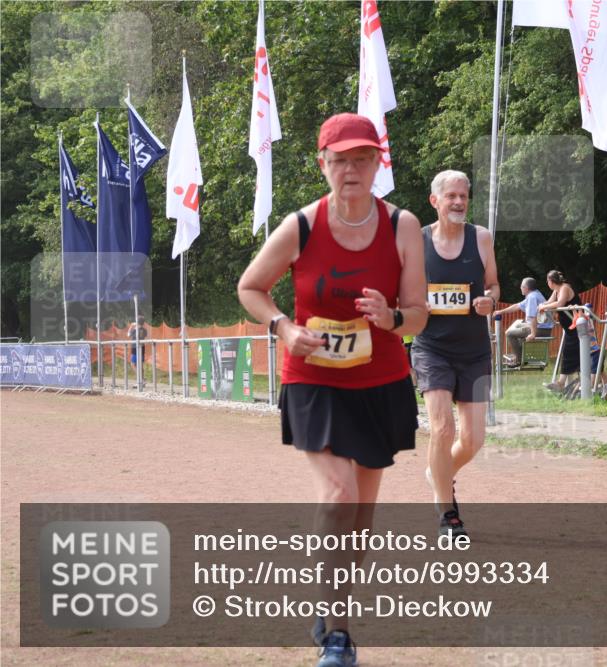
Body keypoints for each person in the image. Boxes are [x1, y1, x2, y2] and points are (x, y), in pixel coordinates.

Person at [237, 113, 427, 667]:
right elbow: (250, 287)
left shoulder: (403, 226)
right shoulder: (301, 225)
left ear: (377, 164)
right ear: (322, 164)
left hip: (380, 381)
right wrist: (284, 328)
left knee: (361, 517)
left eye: (362, 159)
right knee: (339, 495)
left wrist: (392, 317)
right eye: (340, 160)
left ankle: (331, 610)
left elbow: (418, 314)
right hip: (314, 380)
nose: (351, 169)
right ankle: (337, 635)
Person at [410, 169, 499, 539]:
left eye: (463, 195)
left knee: (474, 439)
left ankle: (438, 474)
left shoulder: (481, 238)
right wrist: (417, 304)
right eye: (452, 196)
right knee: (443, 428)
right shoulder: (416, 242)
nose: (459, 202)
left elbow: (493, 285)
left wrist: (489, 301)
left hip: (474, 350)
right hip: (432, 348)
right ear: (435, 201)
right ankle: (448, 514)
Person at [537, 270, 582, 392]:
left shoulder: (565, 288)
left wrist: (544, 307)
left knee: (575, 354)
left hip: (578, 328)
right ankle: (562, 383)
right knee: (569, 354)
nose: (547, 283)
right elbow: (549, 302)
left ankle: (565, 383)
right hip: (570, 329)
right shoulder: (556, 290)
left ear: (551, 281)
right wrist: (541, 305)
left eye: (547, 281)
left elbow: (560, 303)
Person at [496, 276, 554, 366]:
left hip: (540, 329)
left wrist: (533, 334)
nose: (520, 288)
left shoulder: (532, 297)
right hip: (542, 327)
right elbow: (517, 306)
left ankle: (519, 360)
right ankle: (520, 354)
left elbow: (532, 317)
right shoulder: (535, 294)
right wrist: (500, 312)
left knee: (509, 333)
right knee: (517, 325)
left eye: (521, 286)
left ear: (526, 288)